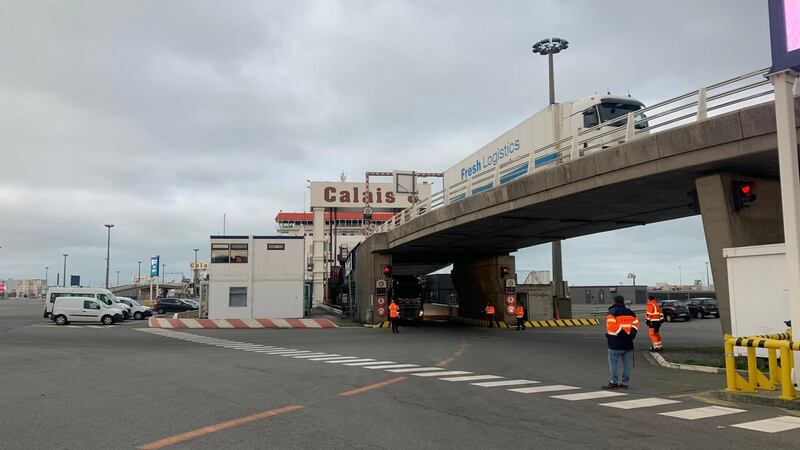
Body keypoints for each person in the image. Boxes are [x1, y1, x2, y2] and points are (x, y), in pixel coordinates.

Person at [602, 295, 639, 389]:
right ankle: (625, 383)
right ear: (623, 301)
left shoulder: (612, 312)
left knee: (613, 363)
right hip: (628, 343)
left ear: (614, 301)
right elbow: (636, 326)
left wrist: (623, 335)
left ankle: (614, 382)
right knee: (626, 364)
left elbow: (612, 327)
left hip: (615, 343)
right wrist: (630, 335)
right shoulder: (631, 313)